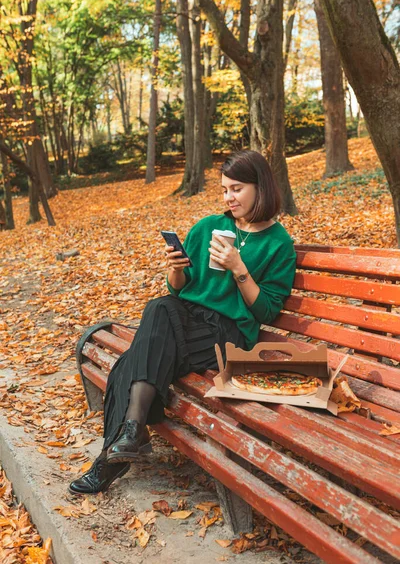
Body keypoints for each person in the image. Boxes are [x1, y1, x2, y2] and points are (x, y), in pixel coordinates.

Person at [69, 150, 297, 495]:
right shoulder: (208, 227)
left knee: (131, 359)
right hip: (184, 320)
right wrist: (175, 267)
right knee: (158, 312)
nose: (228, 197)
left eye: (236, 189)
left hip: (227, 333)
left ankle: (115, 454)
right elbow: (178, 288)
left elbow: (266, 312)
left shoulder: (279, 244)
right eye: (224, 190)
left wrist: (239, 268)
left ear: (260, 187)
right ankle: (128, 435)